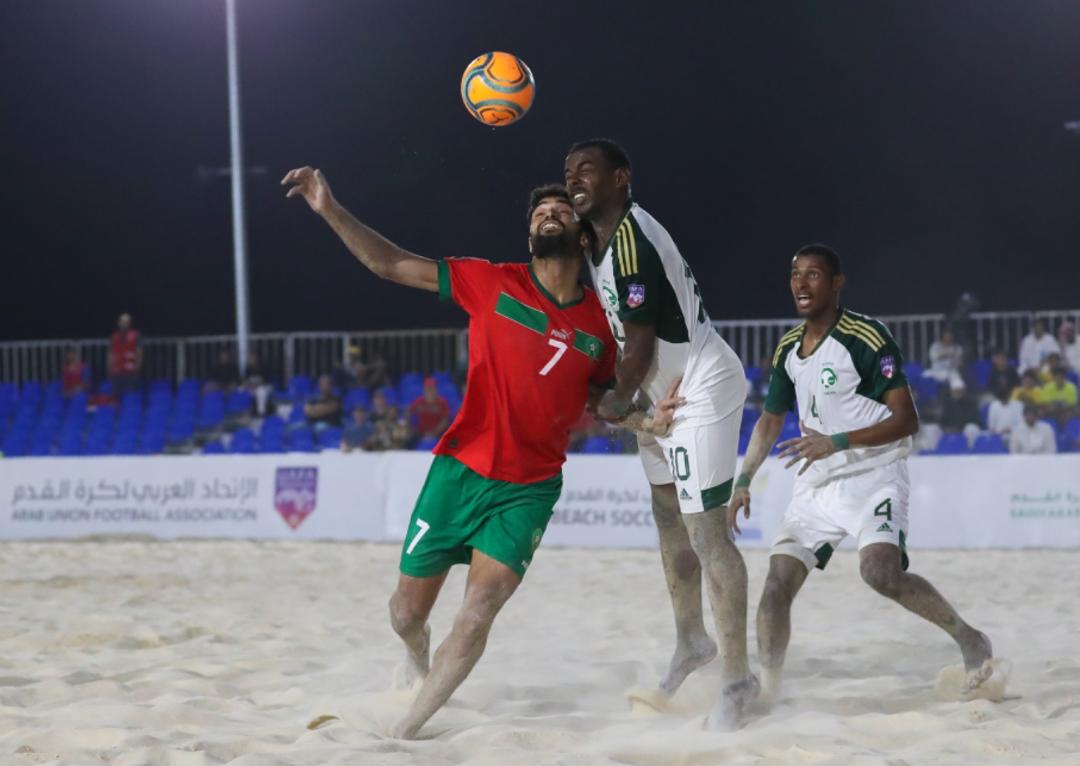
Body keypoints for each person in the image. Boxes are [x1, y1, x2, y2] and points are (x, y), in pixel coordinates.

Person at [283, 166, 678, 739]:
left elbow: (601, 398)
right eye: (540, 211)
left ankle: (405, 730)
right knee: (405, 614)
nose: (550, 213)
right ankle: (418, 662)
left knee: (479, 609)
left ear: (582, 235)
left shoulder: (600, 324)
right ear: (529, 236)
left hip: (530, 488)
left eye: (562, 209)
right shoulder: (491, 282)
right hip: (458, 471)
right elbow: (390, 263)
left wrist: (647, 418)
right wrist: (329, 207)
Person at [728, 244, 994, 706]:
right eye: (795, 275)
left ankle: (971, 639)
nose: (802, 283)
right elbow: (770, 420)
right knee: (776, 584)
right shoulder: (789, 348)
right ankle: (768, 693)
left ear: (836, 284)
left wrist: (837, 441)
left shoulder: (866, 337)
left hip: (875, 473)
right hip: (817, 481)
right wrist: (744, 479)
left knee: (880, 574)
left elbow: (907, 419)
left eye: (814, 275)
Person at [565, 138, 756, 728]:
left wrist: (612, 407)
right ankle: (692, 642)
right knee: (668, 519)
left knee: (708, 537)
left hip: (696, 389)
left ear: (621, 178)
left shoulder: (630, 243)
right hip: (659, 394)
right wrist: (633, 408)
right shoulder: (595, 244)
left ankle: (738, 682)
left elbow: (640, 344)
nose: (575, 179)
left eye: (587, 170)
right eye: (568, 171)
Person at [407, 377, 451, 444]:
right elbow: (408, 412)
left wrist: (433, 433)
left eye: (432, 389)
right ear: (424, 390)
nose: (430, 391)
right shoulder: (419, 401)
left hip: (438, 433)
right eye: (427, 389)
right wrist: (411, 428)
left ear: (436, 390)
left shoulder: (442, 402)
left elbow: (445, 421)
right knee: (409, 442)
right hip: (421, 432)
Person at [108, 313, 142, 398]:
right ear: (119, 323)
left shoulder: (136, 335)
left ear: (130, 323)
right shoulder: (114, 337)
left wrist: (137, 369)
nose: (124, 323)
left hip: (131, 373)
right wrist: (110, 368)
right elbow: (110, 354)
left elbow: (140, 353)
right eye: (122, 321)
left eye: (126, 322)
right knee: (116, 398)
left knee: (130, 397)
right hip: (116, 373)